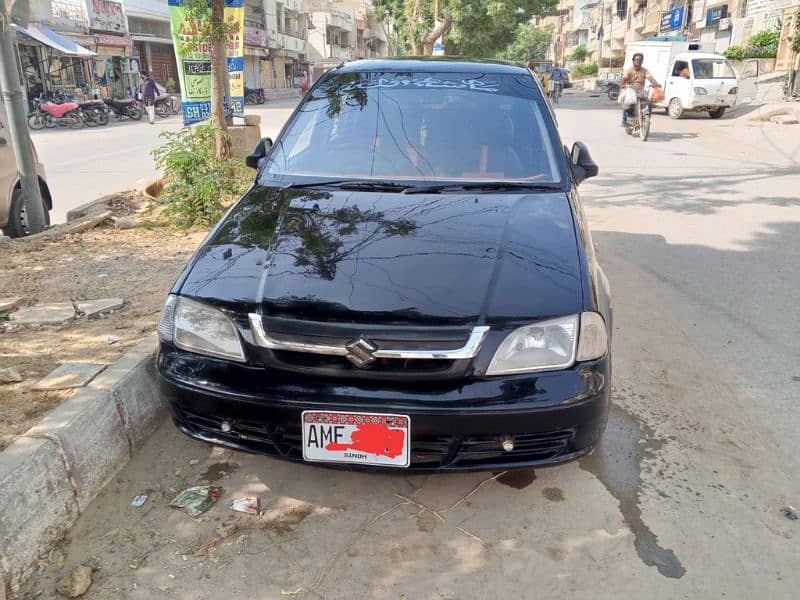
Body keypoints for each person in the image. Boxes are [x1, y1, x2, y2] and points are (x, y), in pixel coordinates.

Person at [620, 53, 661, 127]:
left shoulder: (645, 70)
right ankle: (624, 121)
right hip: (631, 90)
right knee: (627, 104)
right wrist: (623, 84)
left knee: (648, 104)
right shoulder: (629, 70)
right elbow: (624, 78)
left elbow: (650, 78)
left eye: (640, 60)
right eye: (637, 59)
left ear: (642, 61)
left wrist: (656, 84)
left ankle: (646, 119)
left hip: (641, 91)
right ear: (633, 61)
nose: (638, 61)